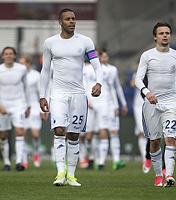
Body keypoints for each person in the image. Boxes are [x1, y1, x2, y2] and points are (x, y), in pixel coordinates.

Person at [40, 8, 103, 186]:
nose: (71, 22)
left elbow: (97, 65)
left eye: (73, 19)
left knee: (74, 135)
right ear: (60, 22)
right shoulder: (50, 43)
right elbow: (45, 71)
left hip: (78, 94)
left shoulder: (85, 41)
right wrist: (42, 96)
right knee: (59, 130)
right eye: (67, 19)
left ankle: (72, 176)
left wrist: (99, 83)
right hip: (58, 94)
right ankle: (60, 173)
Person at [135, 22, 176, 187]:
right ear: (155, 36)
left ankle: (169, 175)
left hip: (171, 103)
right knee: (154, 142)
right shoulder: (147, 55)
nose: (165, 35)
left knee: (170, 138)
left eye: (167, 33)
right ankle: (157, 175)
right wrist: (147, 93)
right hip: (151, 103)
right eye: (161, 33)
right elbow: (138, 80)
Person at [0, 47, 31, 171]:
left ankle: (19, 162)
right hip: (3, 105)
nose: (8, 56)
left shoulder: (21, 69)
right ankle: (7, 163)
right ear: (2, 56)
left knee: (19, 132)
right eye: (6, 54)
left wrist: (28, 105)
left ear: (14, 56)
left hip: (18, 105)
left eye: (11, 54)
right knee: (3, 135)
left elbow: (26, 88)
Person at [99, 48, 128, 170]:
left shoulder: (112, 70)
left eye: (106, 56)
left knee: (114, 132)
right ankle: (100, 161)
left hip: (111, 104)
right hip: (99, 105)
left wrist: (121, 104)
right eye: (102, 56)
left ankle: (116, 160)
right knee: (102, 133)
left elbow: (116, 87)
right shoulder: (92, 69)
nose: (104, 59)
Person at [19, 55, 48, 168]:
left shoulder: (36, 75)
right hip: (21, 107)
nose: (21, 66)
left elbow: (41, 92)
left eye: (23, 63)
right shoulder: (17, 75)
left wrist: (43, 108)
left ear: (28, 63)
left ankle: (36, 153)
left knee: (35, 135)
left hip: (34, 107)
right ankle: (24, 159)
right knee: (23, 134)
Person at [130, 70, 148, 170]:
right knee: (142, 132)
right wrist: (137, 73)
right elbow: (132, 84)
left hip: (150, 103)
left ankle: (151, 157)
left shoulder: (151, 73)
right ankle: (144, 159)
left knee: (151, 133)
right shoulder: (136, 74)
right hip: (138, 106)